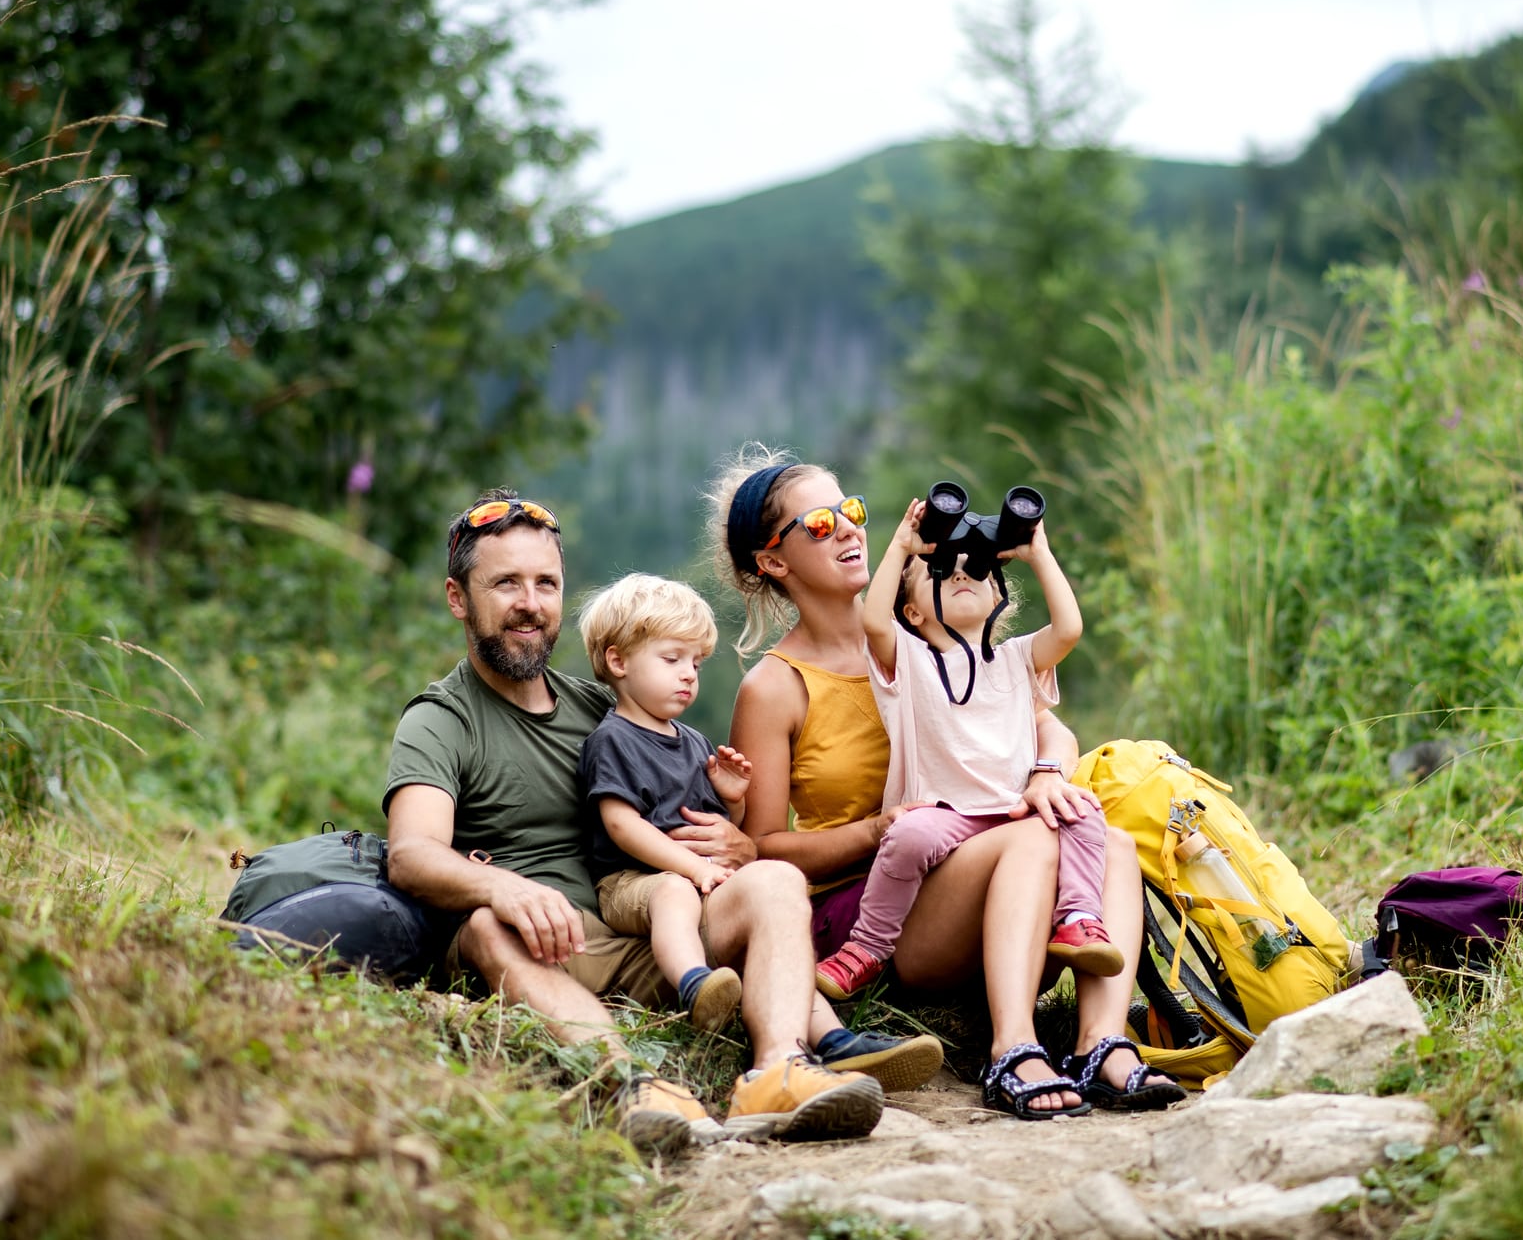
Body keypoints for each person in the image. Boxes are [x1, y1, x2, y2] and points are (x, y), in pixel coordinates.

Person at [382, 490, 941, 1156]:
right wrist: (506, 888)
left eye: (546, 583)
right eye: (505, 583)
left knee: (774, 881)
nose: (529, 603)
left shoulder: (603, 706)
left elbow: (695, 804)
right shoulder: (441, 718)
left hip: (653, 929)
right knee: (482, 925)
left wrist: (736, 839)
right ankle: (632, 1080)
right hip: (542, 942)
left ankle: (776, 1071)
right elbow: (412, 853)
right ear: (458, 598)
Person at [711, 449, 1188, 1119]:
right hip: (887, 906)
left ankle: (1101, 1045)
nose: (850, 529)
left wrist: (1049, 771)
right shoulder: (776, 685)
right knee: (1031, 840)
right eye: (820, 525)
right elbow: (762, 846)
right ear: (773, 561)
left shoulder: (926, 622)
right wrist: (878, 830)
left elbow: (1043, 724)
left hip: (982, 874)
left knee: (1104, 839)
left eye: (851, 511)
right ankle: (1013, 1050)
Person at [812, 497, 1122, 1000]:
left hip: (1016, 810)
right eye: (941, 570)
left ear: (997, 593)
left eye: (975, 570)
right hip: (945, 812)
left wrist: (1037, 552)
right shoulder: (908, 661)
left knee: (1086, 813)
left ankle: (1080, 918)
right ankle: (865, 948)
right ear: (911, 610)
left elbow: (1069, 630)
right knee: (907, 835)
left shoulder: (1019, 657)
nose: (961, 575)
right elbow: (873, 622)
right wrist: (903, 546)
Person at [575, 573, 753, 1034]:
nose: (689, 673)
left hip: (692, 879)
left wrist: (732, 803)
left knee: (764, 889)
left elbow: (713, 829)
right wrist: (693, 870)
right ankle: (694, 985)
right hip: (629, 883)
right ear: (618, 661)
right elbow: (622, 826)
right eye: (672, 658)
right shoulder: (612, 739)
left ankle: (824, 1032)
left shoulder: (693, 741)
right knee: (673, 890)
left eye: (696, 662)